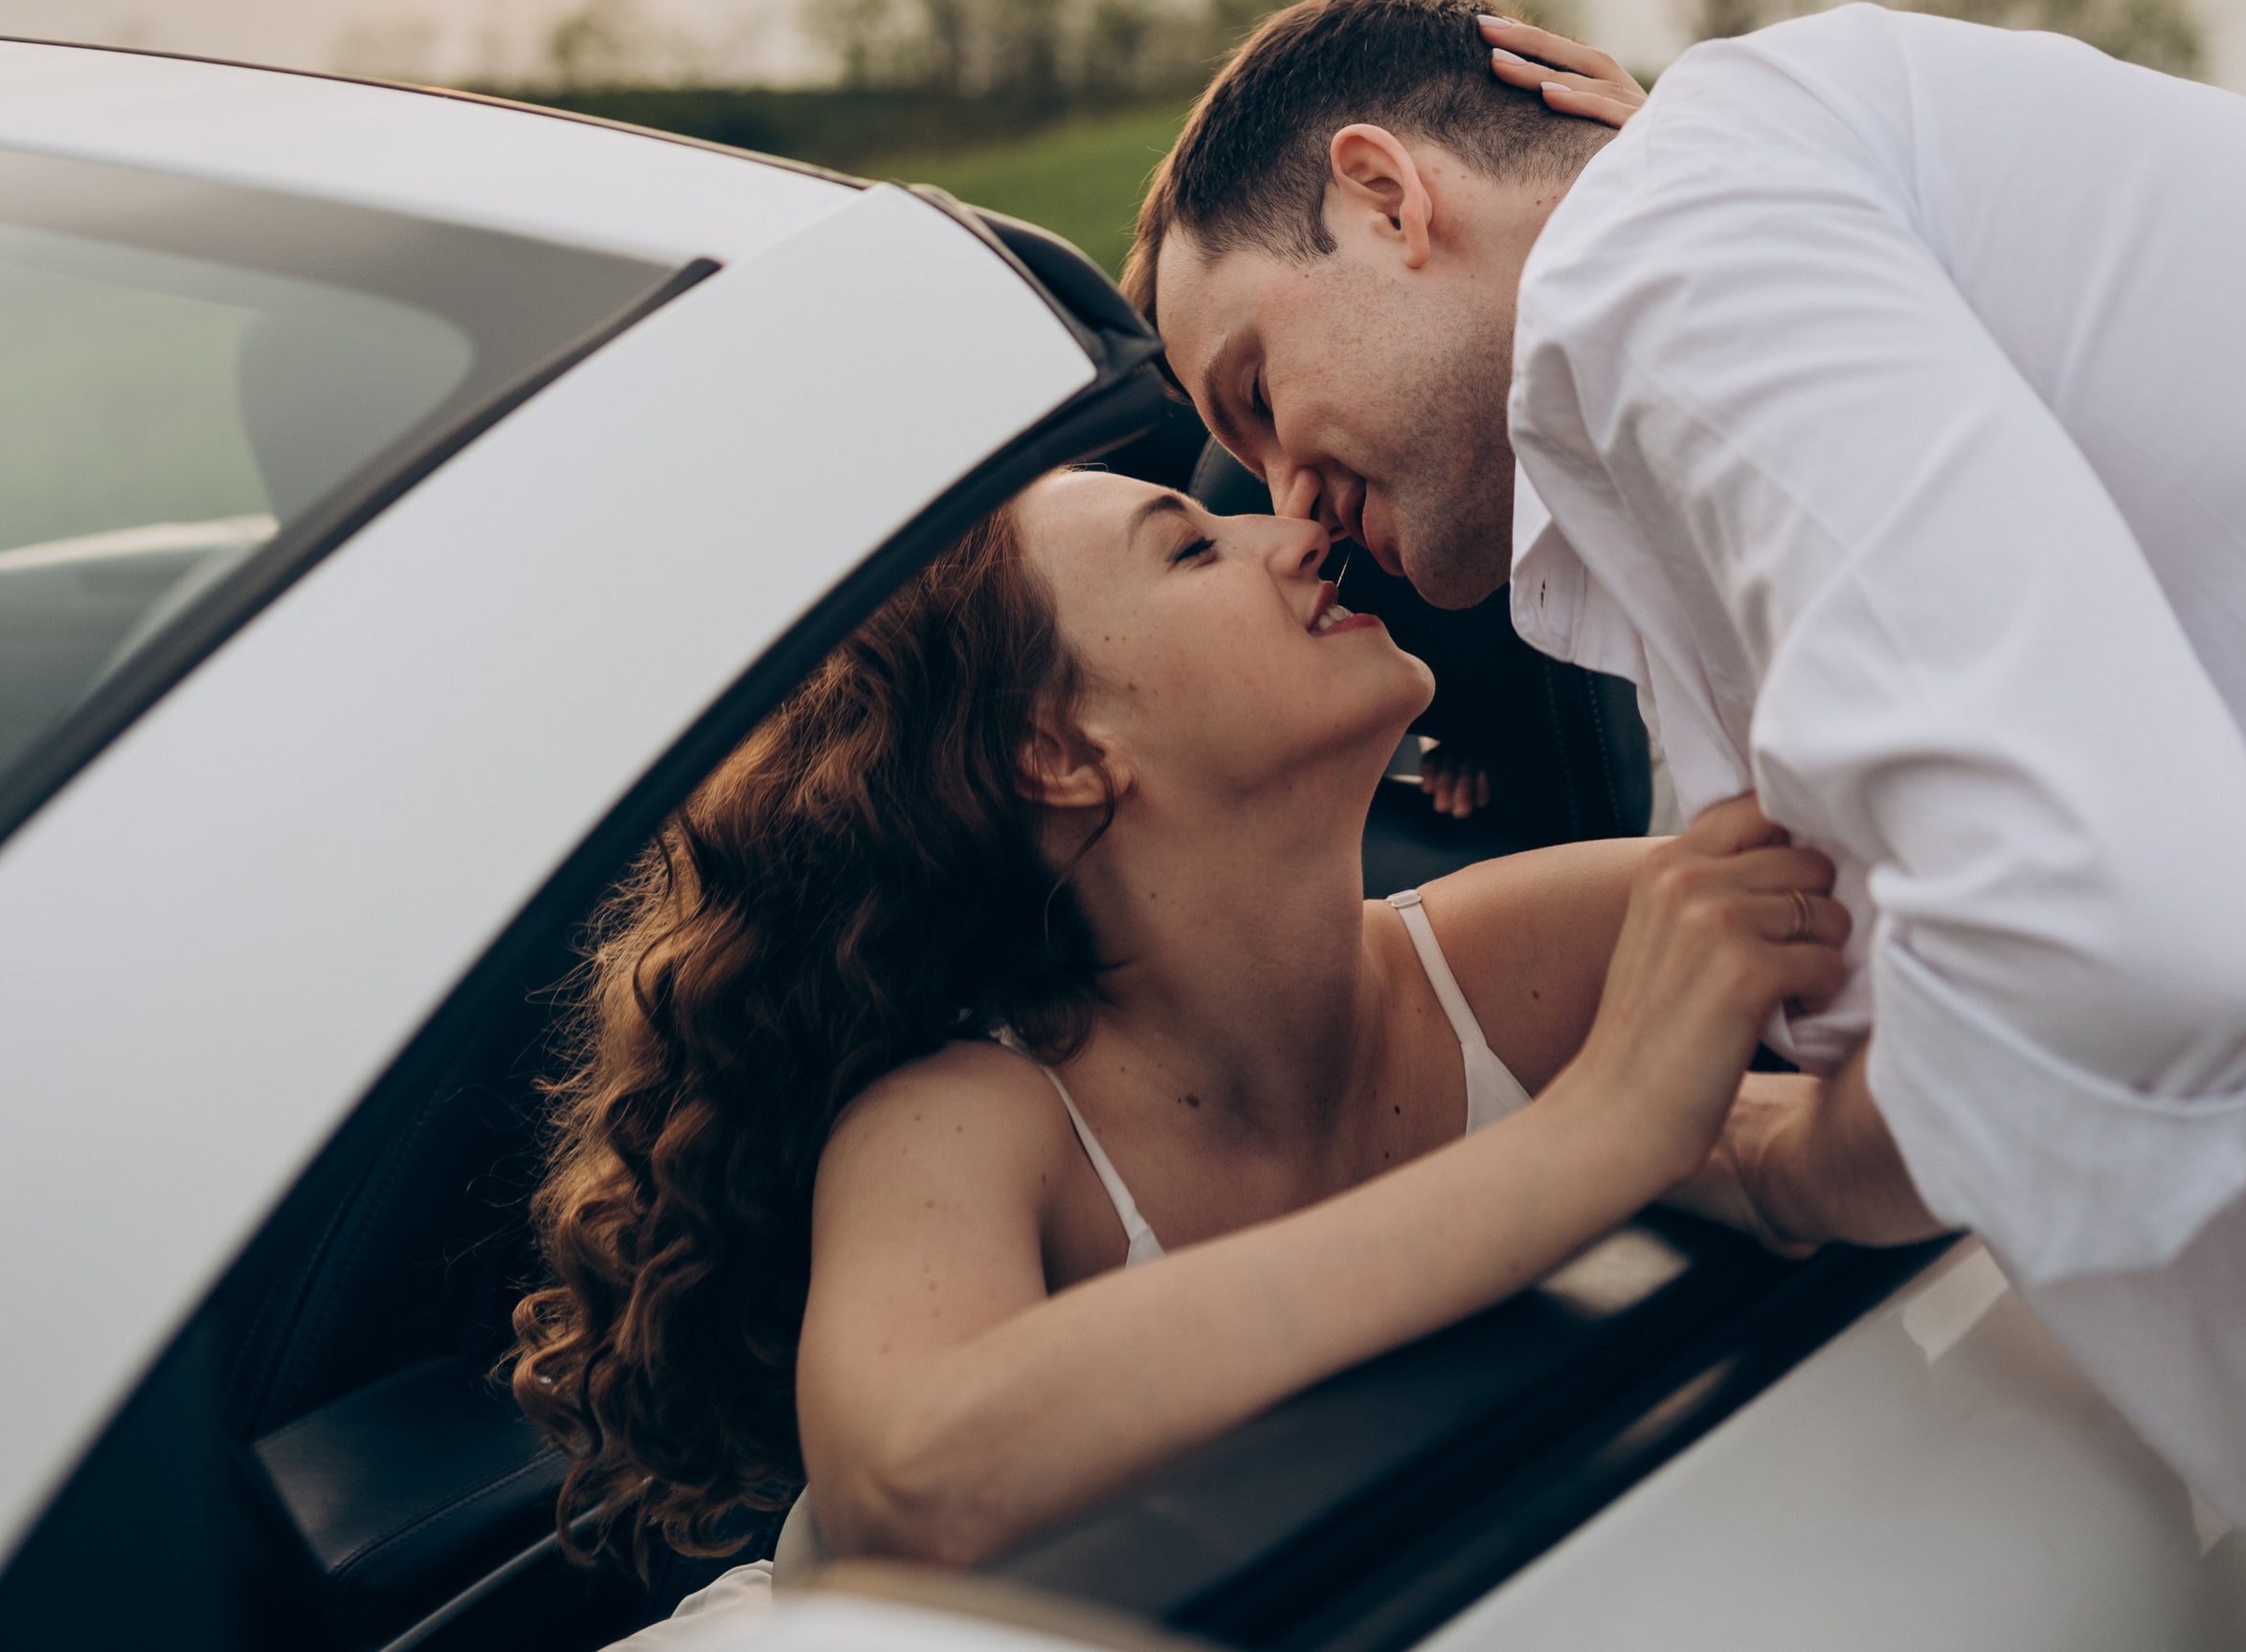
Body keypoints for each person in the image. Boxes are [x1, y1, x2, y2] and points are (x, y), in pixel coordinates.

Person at [1128, 0, 2246, 1616]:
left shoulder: (1664, 253)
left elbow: (2107, 935)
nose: (1288, 502)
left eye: (1257, 391)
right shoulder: (1728, 224)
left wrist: (1800, 1160)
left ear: (1388, 195)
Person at [510, 478, 1847, 1587]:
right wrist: (1603, 1133)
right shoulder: (962, 1119)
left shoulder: (1530, 948)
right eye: (1195, 544)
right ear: (1061, 747)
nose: (1297, 528)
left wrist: (1793, 1162)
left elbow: (2001, 1006)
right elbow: (911, 1484)